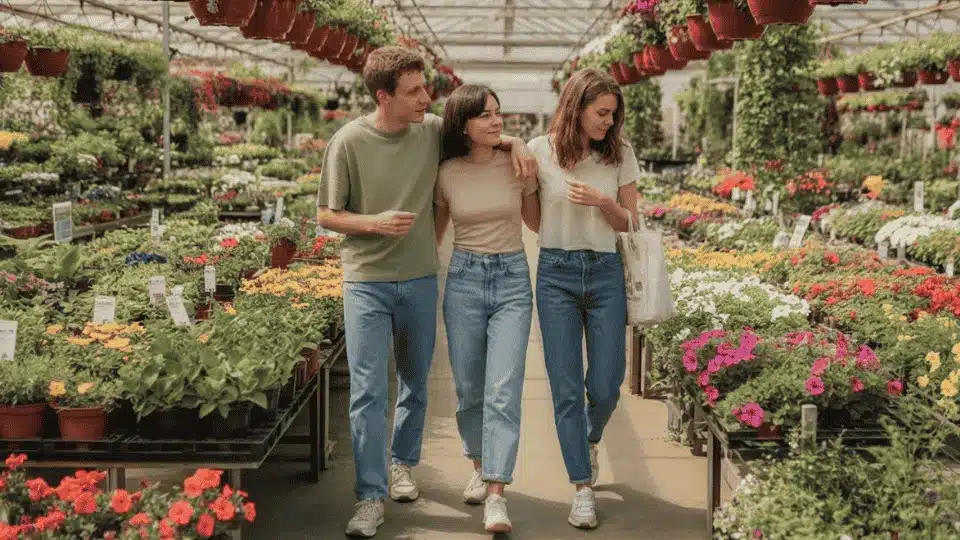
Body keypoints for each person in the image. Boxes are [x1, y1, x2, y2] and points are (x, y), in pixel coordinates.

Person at [315, 47, 537, 539]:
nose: (425, 98)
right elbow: (326, 214)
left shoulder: (431, 130)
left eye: (424, 88)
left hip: (419, 278)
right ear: (384, 96)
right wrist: (373, 223)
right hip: (366, 281)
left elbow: (479, 130)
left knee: (416, 383)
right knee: (368, 390)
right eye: (414, 91)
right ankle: (369, 497)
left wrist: (518, 141)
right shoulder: (348, 141)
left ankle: (402, 464)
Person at [527, 68, 640, 530]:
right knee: (566, 388)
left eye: (613, 115)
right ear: (576, 108)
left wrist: (604, 204)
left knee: (607, 383)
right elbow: (533, 219)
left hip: (605, 272)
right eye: (602, 113)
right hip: (555, 273)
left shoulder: (620, 155)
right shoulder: (539, 150)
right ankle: (582, 487)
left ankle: (589, 439)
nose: (609, 122)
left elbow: (631, 223)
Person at [433, 85, 539, 534]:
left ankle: (497, 492)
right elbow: (435, 236)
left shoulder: (517, 164)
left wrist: (524, 154)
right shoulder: (446, 172)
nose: (497, 121)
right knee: (470, 389)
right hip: (464, 281)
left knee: (503, 389)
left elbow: (536, 222)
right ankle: (479, 465)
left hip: (513, 279)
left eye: (499, 113)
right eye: (485, 115)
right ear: (463, 125)